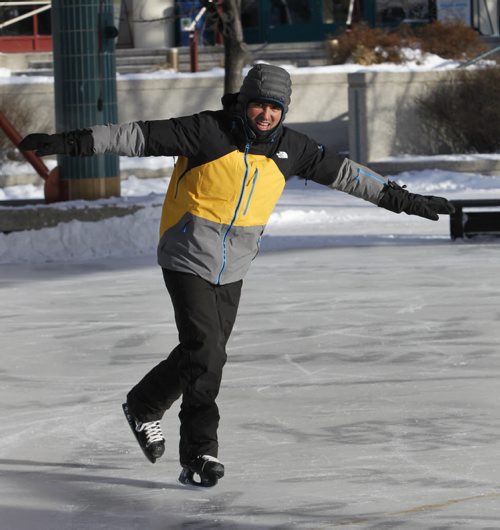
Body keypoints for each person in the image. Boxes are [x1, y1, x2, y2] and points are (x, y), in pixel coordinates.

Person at [19, 63, 455, 487]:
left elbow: (348, 176)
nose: (266, 115)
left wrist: (407, 201)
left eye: (275, 108)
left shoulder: (293, 148)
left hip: (235, 264)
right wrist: (68, 142)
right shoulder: (206, 130)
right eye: (259, 105)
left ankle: (171, 429)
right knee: (205, 352)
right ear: (245, 103)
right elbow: (136, 136)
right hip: (186, 253)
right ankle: (171, 429)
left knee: (206, 356)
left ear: (284, 111)